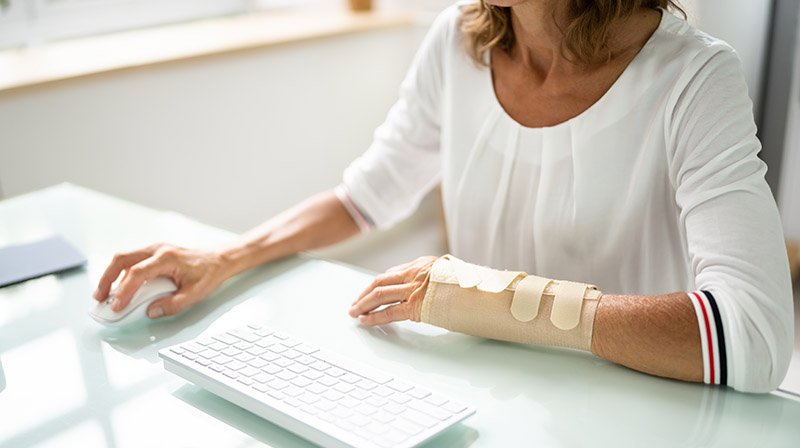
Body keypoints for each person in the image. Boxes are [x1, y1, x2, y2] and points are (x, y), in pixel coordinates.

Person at [93, 0, 793, 393]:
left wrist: (487, 302)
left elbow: (755, 337)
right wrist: (227, 255)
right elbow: (367, 195)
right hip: (478, 391)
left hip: (629, 399)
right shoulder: (459, 41)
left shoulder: (694, 76)